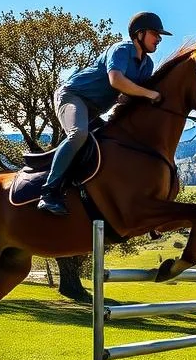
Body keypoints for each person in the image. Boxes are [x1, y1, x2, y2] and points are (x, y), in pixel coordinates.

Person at [38, 12, 172, 216]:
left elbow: (135, 99)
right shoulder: (121, 50)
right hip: (72, 96)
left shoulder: (148, 65)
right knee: (78, 134)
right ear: (139, 34)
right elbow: (116, 80)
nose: (159, 39)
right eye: (155, 33)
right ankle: (47, 193)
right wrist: (150, 93)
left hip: (95, 110)